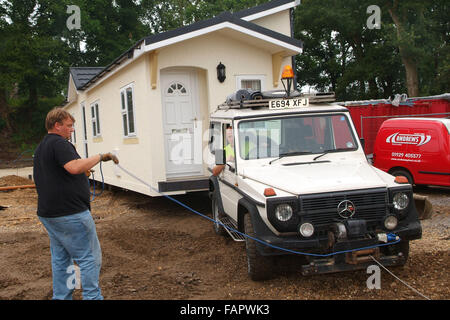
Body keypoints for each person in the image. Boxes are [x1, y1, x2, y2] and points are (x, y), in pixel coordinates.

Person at [33, 107, 119, 300]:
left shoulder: (42, 147)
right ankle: (92, 297)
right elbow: (73, 167)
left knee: (62, 259)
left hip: (50, 214)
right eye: (69, 126)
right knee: (89, 258)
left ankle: (62, 297)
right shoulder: (59, 143)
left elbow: (63, 170)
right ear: (57, 125)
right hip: (69, 214)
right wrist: (100, 157)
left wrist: (83, 170)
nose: (72, 130)